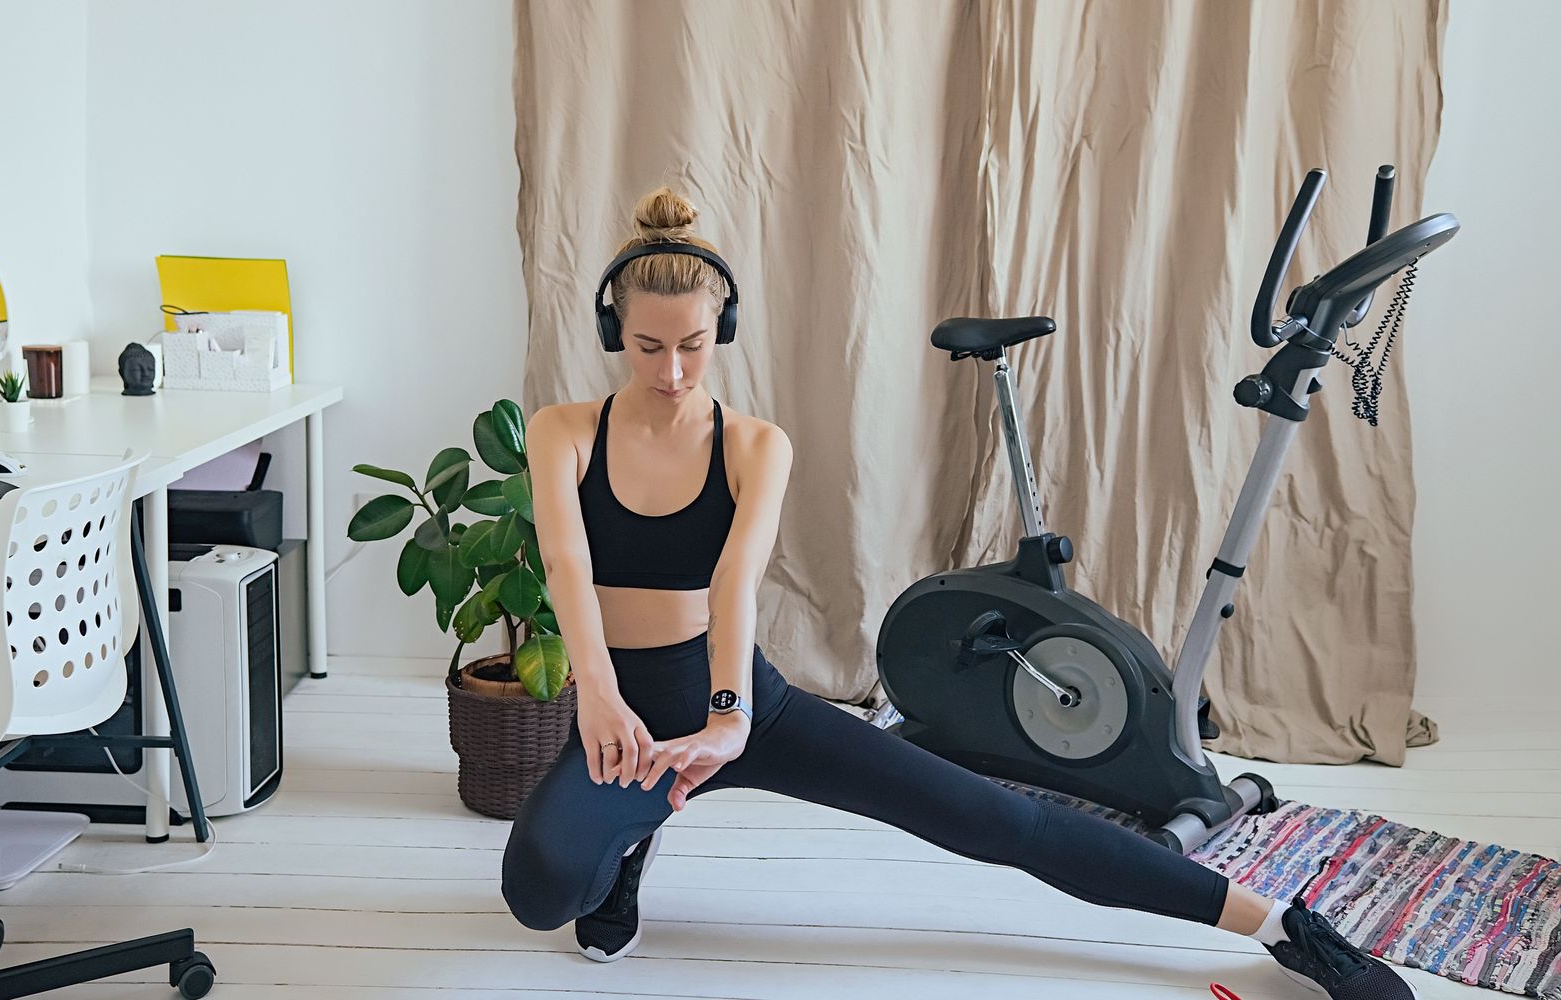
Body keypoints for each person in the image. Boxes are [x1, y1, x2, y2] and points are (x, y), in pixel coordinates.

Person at [500, 187, 1417, 1000]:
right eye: (648, 346)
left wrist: (730, 716)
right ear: (612, 332)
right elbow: (568, 567)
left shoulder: (753, 444)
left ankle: (1281, 926)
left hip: (746, 705)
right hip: (623, 721)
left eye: (693, 347)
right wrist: (602, 698)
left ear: (723, 331)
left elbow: (736, 579)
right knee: (540, 890)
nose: (670, 371)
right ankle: (630, 840)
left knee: (1003, 822)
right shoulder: (563, 432)